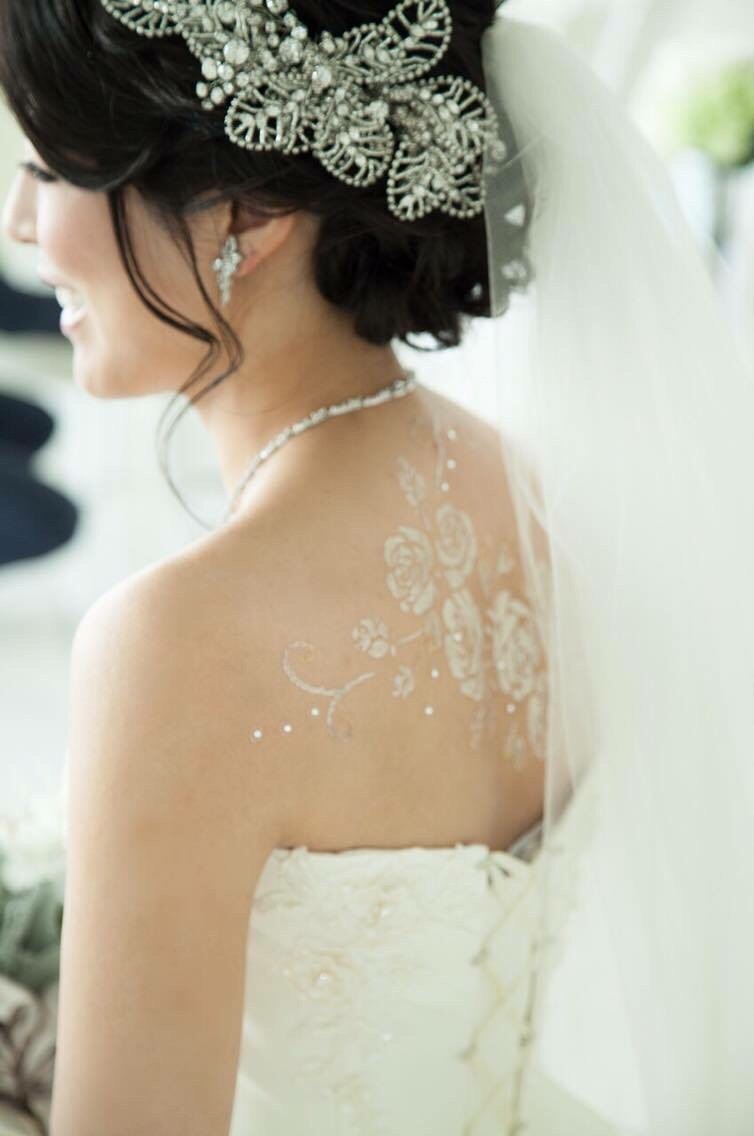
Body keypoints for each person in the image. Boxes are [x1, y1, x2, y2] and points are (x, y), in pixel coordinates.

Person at [1, 2, 753, 1135]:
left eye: (53, 168)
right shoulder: (533, 492)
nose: (19, 221)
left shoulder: (175, 643)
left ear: (248, 212)